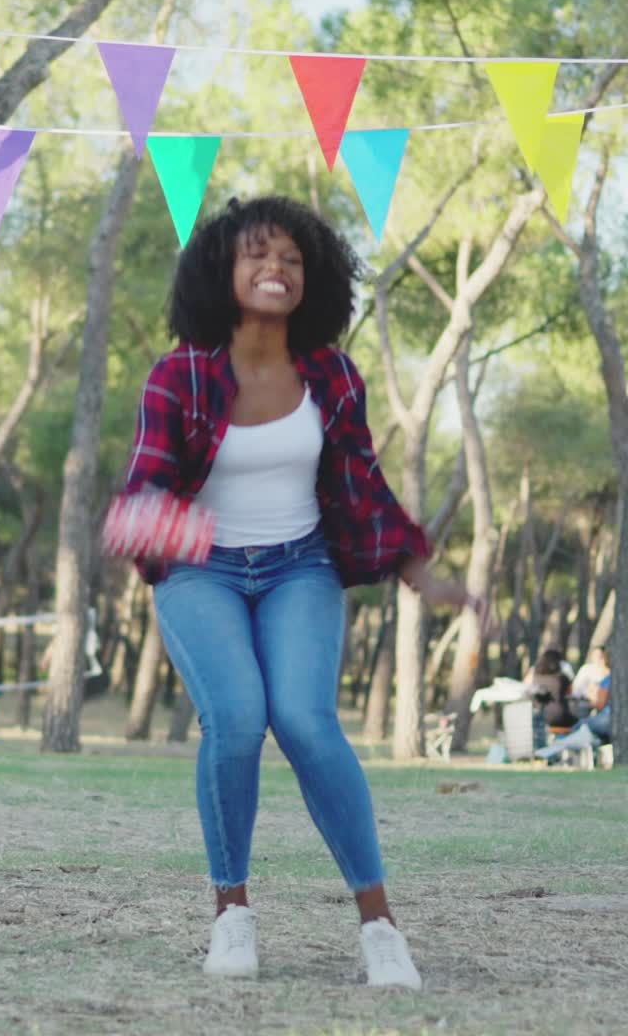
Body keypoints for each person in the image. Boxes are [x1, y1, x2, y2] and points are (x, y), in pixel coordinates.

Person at [122, 195, 482, 988]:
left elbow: (362, 486)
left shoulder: (330, 374)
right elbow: (143, 493)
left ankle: (381, 926)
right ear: (224, 268)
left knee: (308, 723)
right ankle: (232, 916)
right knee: (239, 718)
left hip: (299, 568)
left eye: (290, 258)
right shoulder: (179, 373)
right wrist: (156, 526)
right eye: (257, 255)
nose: (275, 269)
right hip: (203, 573)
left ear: (309, 278)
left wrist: (421, 571)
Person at [525, 648, 574, 747]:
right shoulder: (562, 678)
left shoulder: (535, 676)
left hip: (540, 716)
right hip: (560, 716)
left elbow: (526, 688)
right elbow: (570, 692)